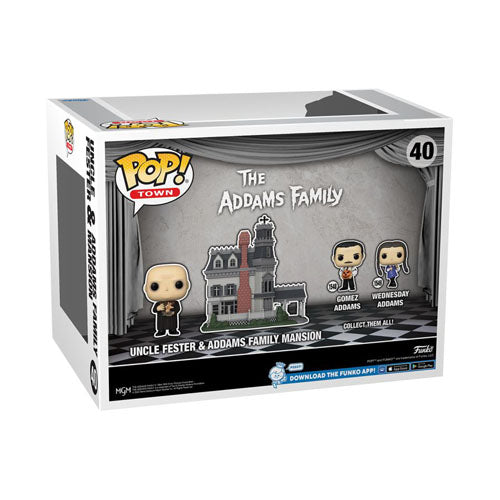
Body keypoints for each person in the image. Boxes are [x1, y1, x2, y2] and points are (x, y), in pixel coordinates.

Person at [143, 263, 191, 337]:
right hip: (161, 319)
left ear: (187, 285)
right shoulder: (159, 303)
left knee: (173, 324)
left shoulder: (175, 303)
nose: (166, 289)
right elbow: (154, 310)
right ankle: (161, 331)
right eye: (155, 286)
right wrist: (158, 308)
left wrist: (172, 310)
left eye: (178, 284)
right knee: (161, 325)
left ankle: (173, 330)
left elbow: (178, 309)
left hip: (172, 318)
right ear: (146, 288)